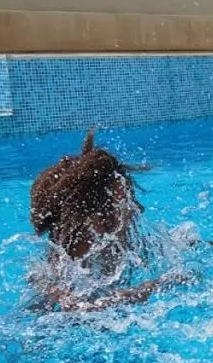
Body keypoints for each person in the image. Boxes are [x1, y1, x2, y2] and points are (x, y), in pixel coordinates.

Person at [30, 130, 186, 311]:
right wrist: (151, 288)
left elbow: (172, 246)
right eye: (127, 199)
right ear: (95, 217)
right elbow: (78, 308)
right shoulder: (62, 268)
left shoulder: (119, 241)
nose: (138, 208)